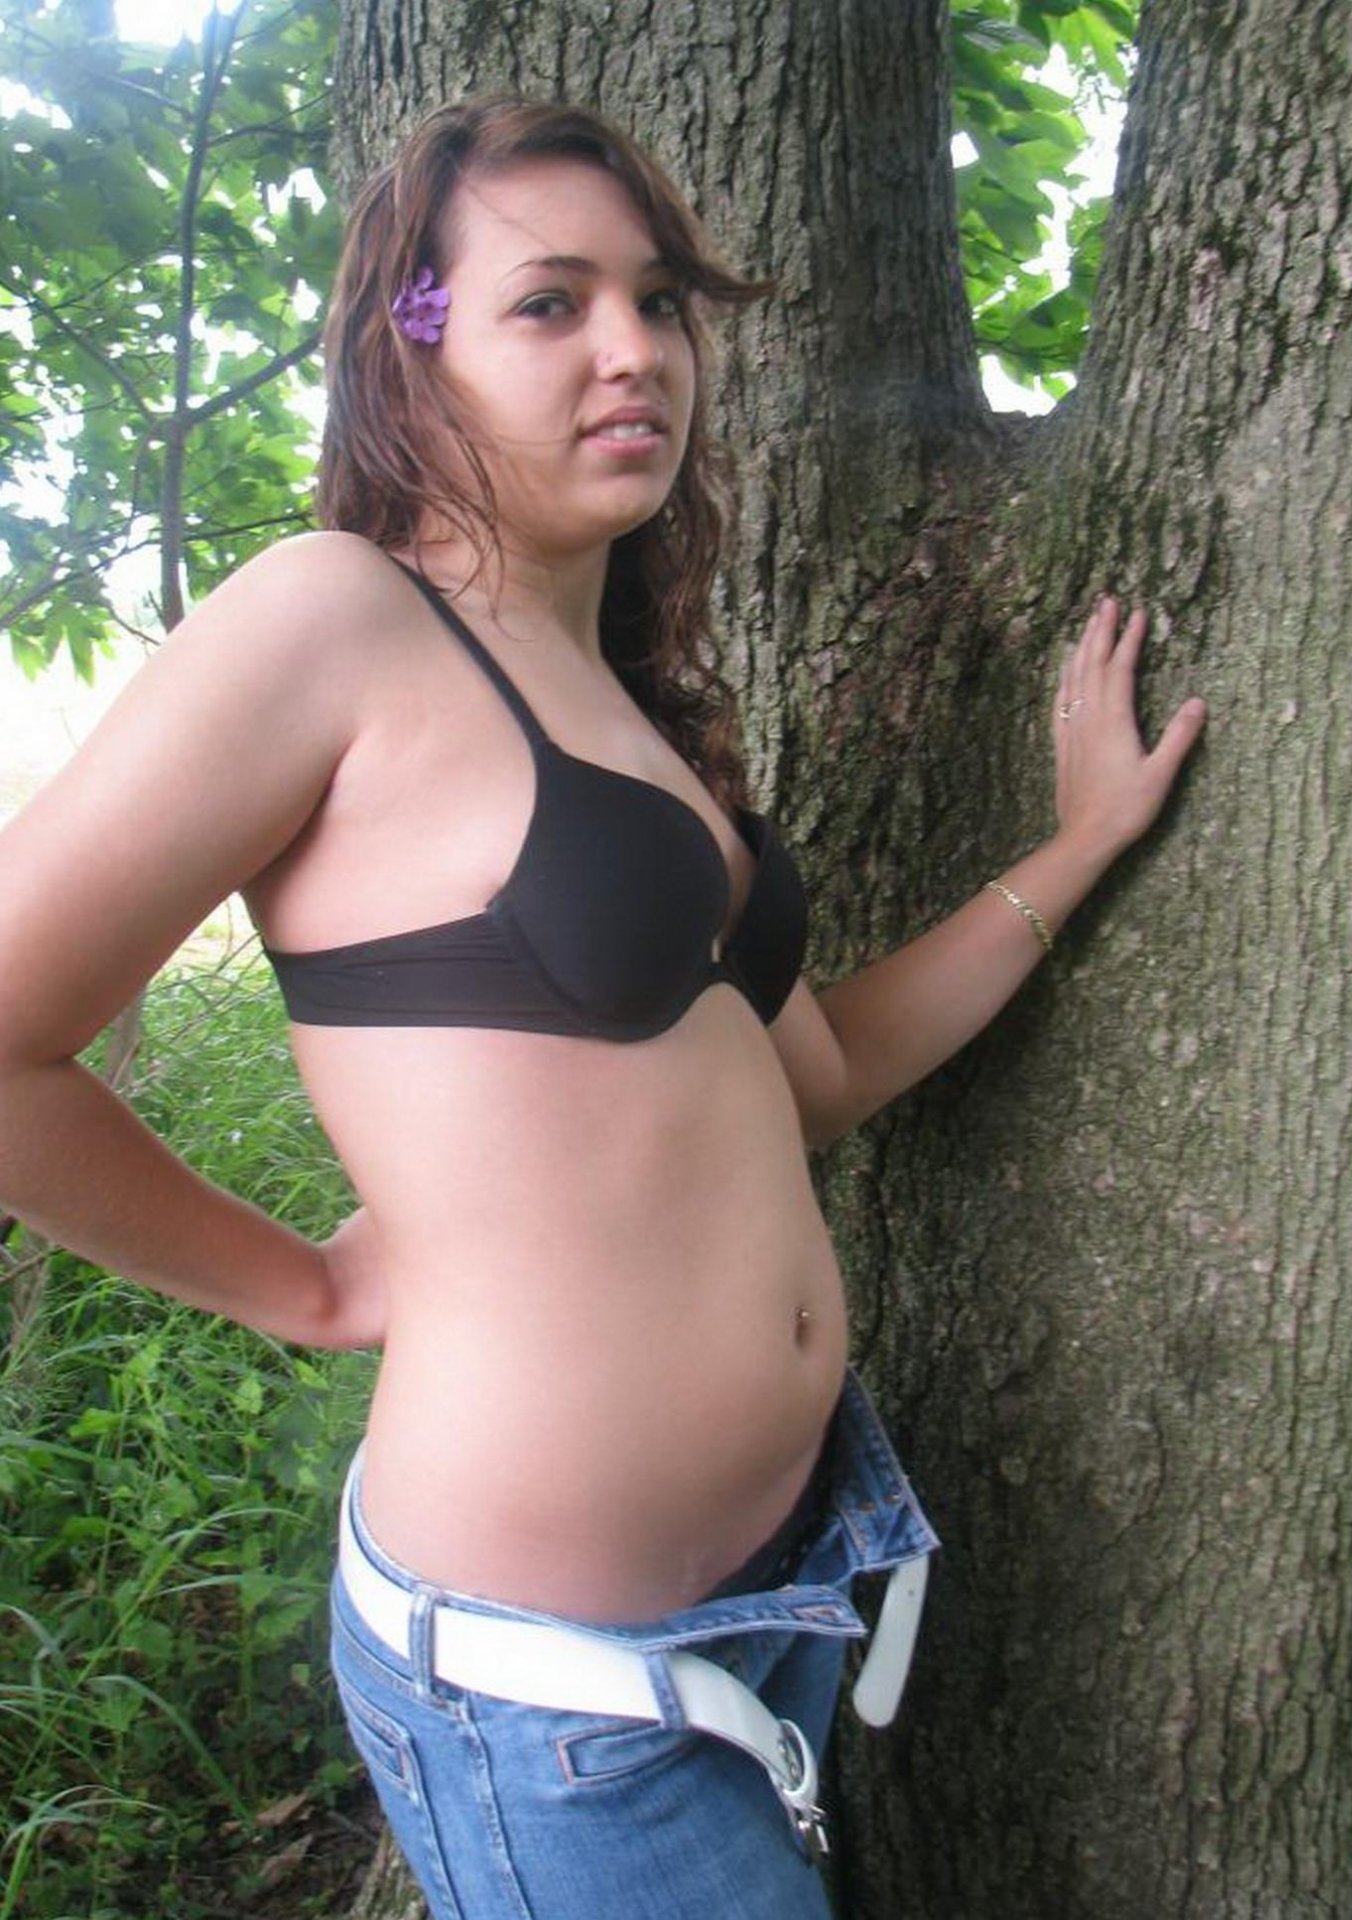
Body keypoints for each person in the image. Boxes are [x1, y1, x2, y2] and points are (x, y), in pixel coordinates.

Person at [0, 94, 1206, 1919]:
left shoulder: (627, 707)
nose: (635, 349)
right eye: (550, 303)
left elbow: (817, 1078)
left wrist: (1081, 846)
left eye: (659, 301)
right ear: (411, 346)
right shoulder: (336, 621)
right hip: (552, 1698)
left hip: (793, 1586)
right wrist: (304, 1289)